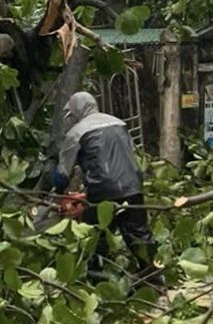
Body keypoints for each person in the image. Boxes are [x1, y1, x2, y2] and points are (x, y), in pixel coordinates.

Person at [52, 92, 163, 289]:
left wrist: (55, 189)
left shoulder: (77, 133)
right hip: (132, 185)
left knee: (96, 234)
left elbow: (63, 171)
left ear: (77, 111)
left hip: (103, 190)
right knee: (139, 234)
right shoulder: (119, 123)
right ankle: (154, 280)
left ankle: (98, 280)